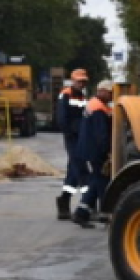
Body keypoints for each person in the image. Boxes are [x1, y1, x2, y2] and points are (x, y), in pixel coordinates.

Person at [71, 81, 114, 229]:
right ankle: (105, 213)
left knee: (97, 181)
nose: (111, 95)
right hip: (95, 151)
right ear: (101, 91)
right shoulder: (98, 108)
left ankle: (81, 213)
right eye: (109, 92)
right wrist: (108, 152)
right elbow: (101, 134)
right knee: (102, 181)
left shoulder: (95, 104)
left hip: (90, 150)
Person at [54, 68, 89, 220]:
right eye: (79, 81)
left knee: (73, 172)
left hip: (80, 137)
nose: (82, 83)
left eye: (83, 81)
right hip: (73, 138)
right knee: (81, 170)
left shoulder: (82, 96)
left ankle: (64, 201)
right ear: (73, 80)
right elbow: (62, 118)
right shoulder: (66, 94)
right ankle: (87, 205)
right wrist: (70, 133)